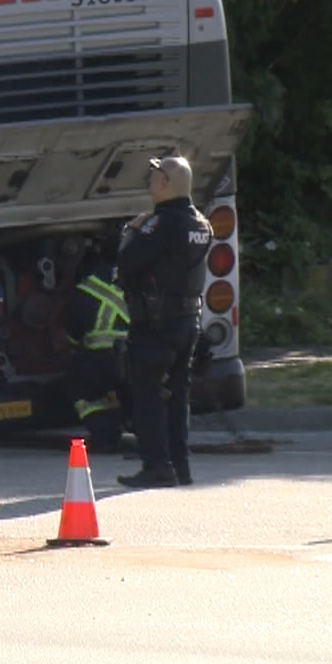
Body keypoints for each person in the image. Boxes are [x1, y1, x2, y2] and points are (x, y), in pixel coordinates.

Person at [116, 154, 213, 489]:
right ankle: (180, 465)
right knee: (178, 394)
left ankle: (156, 465)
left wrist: (131, 231)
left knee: (149, 395)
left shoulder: (160, 225)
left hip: (155, 324)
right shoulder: (201, 224)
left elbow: (128, 263)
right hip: (188, 322)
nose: (151, 181)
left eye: (155, 176)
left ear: (165, 184)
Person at [64, 254, 130, 452]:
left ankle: (105, 435)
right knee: (138, 392)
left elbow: (72, 339)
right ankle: (146, 432)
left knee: (81, 389)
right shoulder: (137, 278)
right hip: (139, 356)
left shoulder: (85, 291)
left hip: (104, 359)